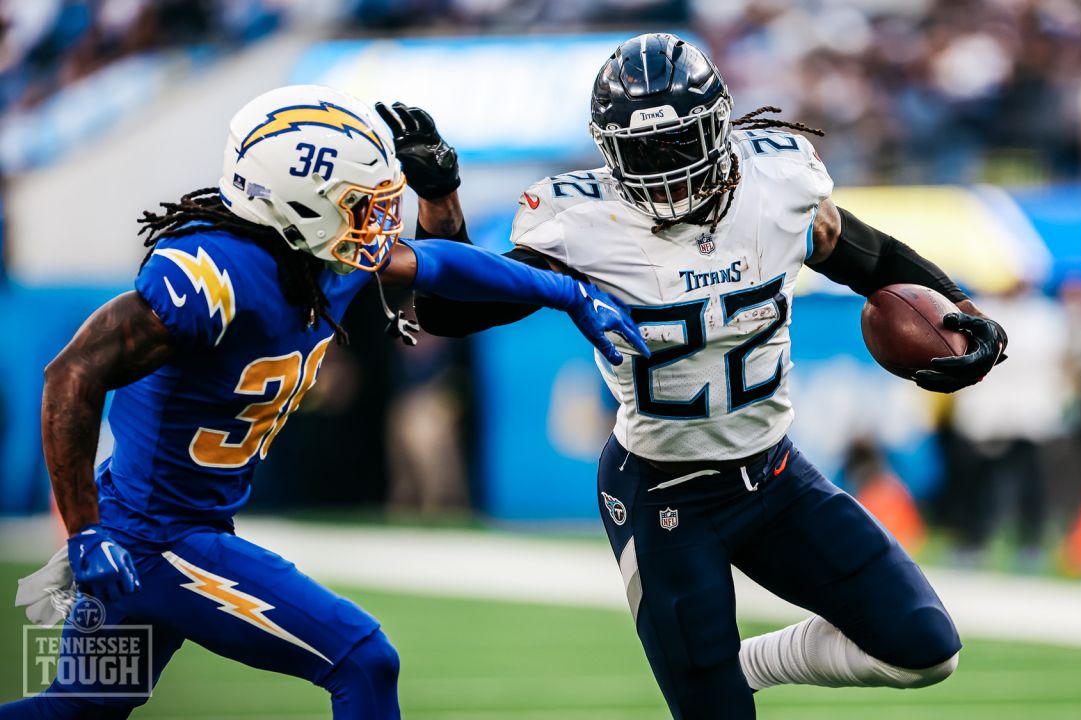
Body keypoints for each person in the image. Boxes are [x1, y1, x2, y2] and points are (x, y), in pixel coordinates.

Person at [0, 84, 646, 720]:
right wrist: (84, 532)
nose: (375, 222)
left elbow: (448, 274)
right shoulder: (214, 271)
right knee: (363, 657)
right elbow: (70, 376)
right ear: (297, 204)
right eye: (358, 205)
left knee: (81, 707)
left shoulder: (323, 256)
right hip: (155, 537)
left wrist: (565, 291)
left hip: (158, 524)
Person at [414, 34, 1006, 718]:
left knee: (925, 647)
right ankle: (716, 684)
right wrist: (439, 202)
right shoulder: (584, 224)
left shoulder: (776, 184)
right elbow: (450, 311)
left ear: (719, 125)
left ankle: (739, 667)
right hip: (663, 493)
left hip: (775, 476)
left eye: (678, 143)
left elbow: (862, 253)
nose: (664, 170)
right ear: (608, 153)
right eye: (642, 152)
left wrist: (957, 307)